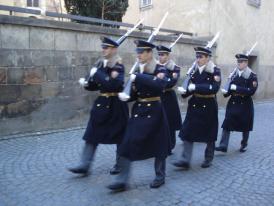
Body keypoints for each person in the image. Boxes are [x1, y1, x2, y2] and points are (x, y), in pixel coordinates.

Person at [107, 40, 171, 191]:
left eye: (141, 52)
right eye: (137, 52)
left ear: (149, 53)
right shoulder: (139, 70)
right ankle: (122, 180)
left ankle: (160, 176)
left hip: (154, 110)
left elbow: (160, 85)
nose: (138, 55)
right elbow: (135, 93)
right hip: (139, 111)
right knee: (126, 142)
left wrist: (138, 77)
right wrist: (126, 96)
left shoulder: (159, 68)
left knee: (159, 144)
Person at [68, 36, 129, 176]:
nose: (103, 50)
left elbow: (114, 84)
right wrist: (87, 83)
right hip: (102, 104)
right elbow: (97, 85)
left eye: (106, 47)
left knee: (120, 136)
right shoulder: (101, 64)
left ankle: (120, 165)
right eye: (103, 47)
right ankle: (84, 165)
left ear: (114, 49)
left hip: (116, 105)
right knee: (91, 134)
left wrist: (98, 74)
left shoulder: (118, 65)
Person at [174, 46, 221, 169]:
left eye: (200, 57)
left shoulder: (215, 71)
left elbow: (214, 88)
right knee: (187, 131)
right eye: (197, 56)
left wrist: (196, 87)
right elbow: (189, 88)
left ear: (207, 58)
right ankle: (185, 160)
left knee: (209, 133)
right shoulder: (193, 70)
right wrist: (184, 91)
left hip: (208, 104)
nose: (198, 59)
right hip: (195, 103)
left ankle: (208, 158)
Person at [215, 53, 258, 153]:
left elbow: (252, 91)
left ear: (246, 63)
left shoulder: (252, 76)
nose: (239, 63)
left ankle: (244, 144)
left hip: (245, 103)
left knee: (245, 125)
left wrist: (237, 88)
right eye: (238, 61)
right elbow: (230, 87)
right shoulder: (234, 74)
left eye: (241, 61)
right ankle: (223, 145)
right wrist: (226, 92)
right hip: (234, 102)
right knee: (227, 123)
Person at [156, 45, 182, 151]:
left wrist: (161, 76)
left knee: (170, 122)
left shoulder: (174, 68)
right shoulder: (155, 66)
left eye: (162, 55)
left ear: (168, 56)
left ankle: (170, 145)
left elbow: (171, 83)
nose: (160, 57)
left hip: (168, 97)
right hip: (158, 96)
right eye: (159, 55)